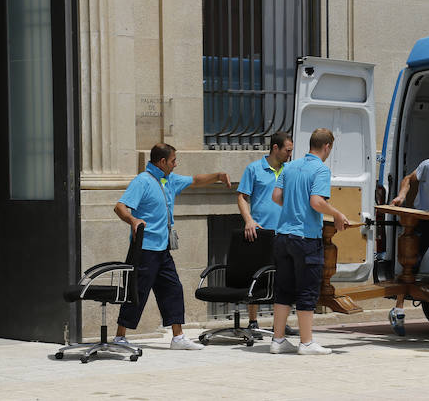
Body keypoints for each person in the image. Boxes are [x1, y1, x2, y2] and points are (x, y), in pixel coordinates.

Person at [112, 143, 231, 350]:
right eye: (173, 160)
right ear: (162, 162)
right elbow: (120, 207)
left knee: (173, 289)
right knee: (136, 292)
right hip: (144, 249)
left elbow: (195, 180)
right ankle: (120, 337)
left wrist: (218, 175)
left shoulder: (170, 181)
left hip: (162, 249)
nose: (176, 164)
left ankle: (177, 337)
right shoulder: (143, 181)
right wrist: (132, 221)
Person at [269, 128, 349, 355]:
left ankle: (278, 340)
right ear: (327, 147)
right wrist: (336, 214)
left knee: (283, 289)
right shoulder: (321, 170)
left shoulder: (290, 166)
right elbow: (316, 201)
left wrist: (293, 207)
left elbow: (276, 197)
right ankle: (306, 342)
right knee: (307, 290)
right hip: (305, 238)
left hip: (283, 235)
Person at [236, 131, 299, 338]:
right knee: (256, 277)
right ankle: (253, 322)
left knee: (284, 278)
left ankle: (279, 324)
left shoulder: (291, 170)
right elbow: (242, 197)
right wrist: (249, 220)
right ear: (275, 148)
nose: (290, 154)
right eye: (287, 150)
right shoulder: (254, 169)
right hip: (260, 233)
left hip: (285, 232)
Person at [387, 144, 429, 336]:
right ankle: (398, 310)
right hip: (425, 218)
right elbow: (409, 179)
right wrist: (402, 196)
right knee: (411, 262)